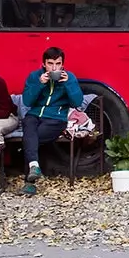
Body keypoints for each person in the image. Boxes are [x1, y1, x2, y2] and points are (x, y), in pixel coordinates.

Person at [19, 46, 84, 190]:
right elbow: (27, 102)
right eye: (50, 64)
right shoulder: (35, 76)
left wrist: (68, 84)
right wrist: (39, 84)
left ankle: (30, 183)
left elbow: (77, 103)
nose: (54, 68)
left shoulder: (70, 77)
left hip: (56, 119)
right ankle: (34, 167)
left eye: (58, 64)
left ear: (62, 65)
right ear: (43, 64)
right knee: (29, 124)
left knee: (30, 139)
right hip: (34, 115)